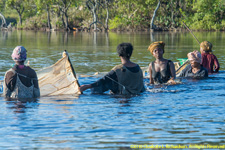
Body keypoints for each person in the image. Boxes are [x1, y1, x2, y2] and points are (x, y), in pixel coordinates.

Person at [79, 43, 145, 95]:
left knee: (97, 89)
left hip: (122, 95)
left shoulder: (118, 69)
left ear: (119, 55)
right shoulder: (138, 68)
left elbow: (103, 80)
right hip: (138, 95)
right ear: (131, 54)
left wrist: (87, 86)